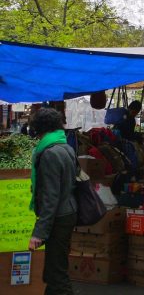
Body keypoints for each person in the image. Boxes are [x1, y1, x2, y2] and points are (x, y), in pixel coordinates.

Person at [28, 107, 78, 295]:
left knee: (56, 274)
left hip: (59, 216)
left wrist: (39, 232)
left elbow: (51, 197)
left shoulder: (49, 154)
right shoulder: (65, 147)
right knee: (55, 269)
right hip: (68, 213)